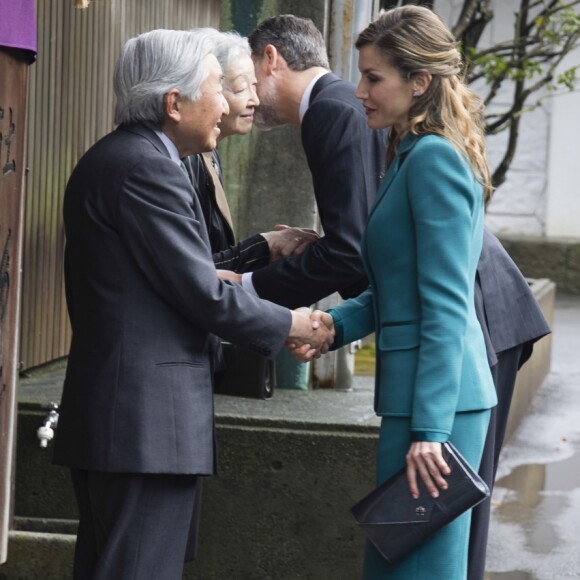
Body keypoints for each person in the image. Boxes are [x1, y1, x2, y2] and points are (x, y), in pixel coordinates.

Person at [52, 29, 332, 580]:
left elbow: (165, 279)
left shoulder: (131, 158)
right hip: (142, 424)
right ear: (173, 104)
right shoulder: (147, 166)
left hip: (132, 421)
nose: (227, 103)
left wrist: (226, 274)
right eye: (216, 89)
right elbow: (199, 293)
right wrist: (293, 322)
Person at [298, 6, 499, 578]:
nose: (359, 90)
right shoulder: (411, 151)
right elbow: (401, 289)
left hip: (438, 407)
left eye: (373, 78)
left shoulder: (432, 158)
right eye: (360, 75)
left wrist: (430, 431)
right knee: (398, 563)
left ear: (419, 82)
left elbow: (446, 305)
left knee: (418, 568)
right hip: (422, 400)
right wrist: (338, 326)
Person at [217, 14, 387, 308]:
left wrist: (244, 285)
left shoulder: (330, 110)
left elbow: (350, 251)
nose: (250, 97)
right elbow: (362, 238)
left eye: (248, 77)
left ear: (270, 58)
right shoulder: (335, 103)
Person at [183, 28, 318, 271]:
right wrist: (265, 245)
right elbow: (193, 272)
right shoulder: (180, 160)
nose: (254, 100)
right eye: (240, 88)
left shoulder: (208, 152)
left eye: (254, 86)